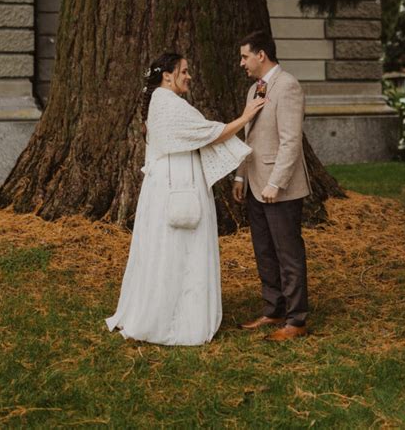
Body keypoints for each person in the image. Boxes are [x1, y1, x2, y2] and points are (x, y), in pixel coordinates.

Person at [106, 52, 265, 346]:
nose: (189, 76)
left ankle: (168, 311)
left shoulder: (162, 102)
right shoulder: (168, 103)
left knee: (167, 249)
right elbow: (210, 134)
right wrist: (245, 117)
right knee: (179, 249)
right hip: (176, 184)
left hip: (168, 182)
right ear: (167, 75)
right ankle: (175, 320)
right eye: (184, 71)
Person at [233, 31, 311, 342]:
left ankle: (297, 320)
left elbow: (291, 141)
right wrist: (240, 175)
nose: (242, 63)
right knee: (264, 251)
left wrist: (276, 183)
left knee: (288, 253)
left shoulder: (288, 85)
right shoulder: (255, 89)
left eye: (244, 56)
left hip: (280, 188)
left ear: (261, 55)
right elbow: (249, 136)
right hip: (254, 184)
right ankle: (273, 310)